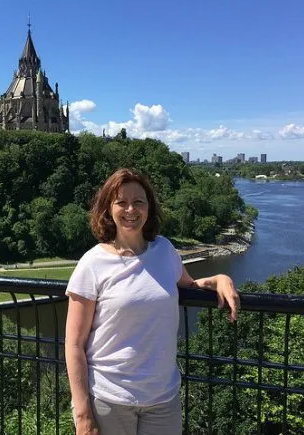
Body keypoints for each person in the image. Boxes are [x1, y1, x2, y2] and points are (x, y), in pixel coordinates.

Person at [65, 168, 240, 435]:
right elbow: (74, 345)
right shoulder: (92, 263)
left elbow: (188, 285)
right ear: (108, 208)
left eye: (139, 202)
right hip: (111, 399)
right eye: (121, 202)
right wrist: (82, 414)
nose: (130, 210)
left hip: (163, 399)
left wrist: (218, 279)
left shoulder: (165, 250)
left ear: (149, 207)